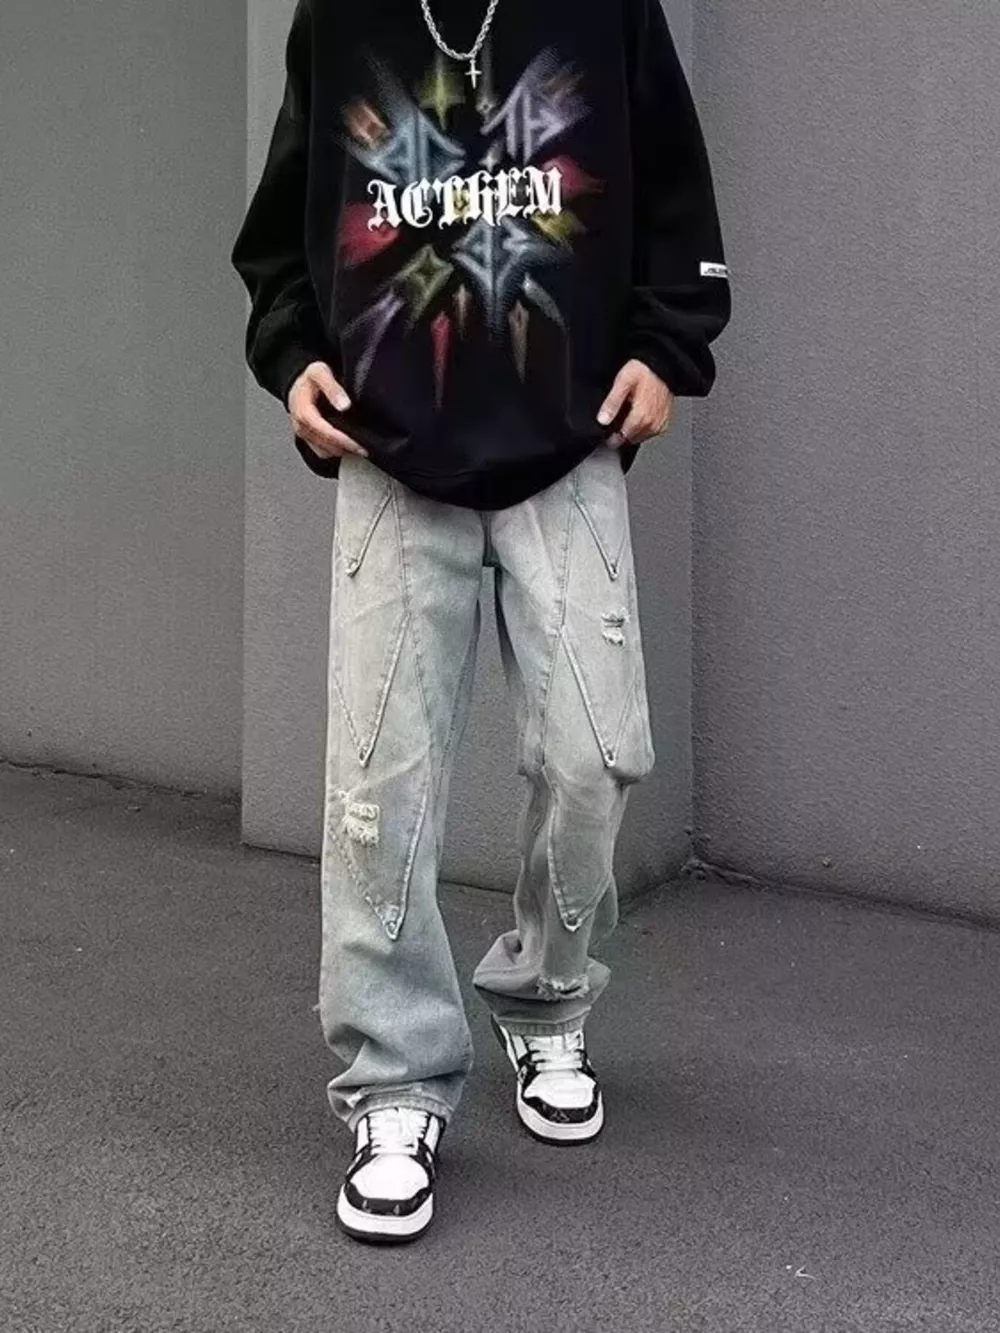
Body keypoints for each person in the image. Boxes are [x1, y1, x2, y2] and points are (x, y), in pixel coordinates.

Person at [231, 0, 730, 1245]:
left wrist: (669, 344)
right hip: (391, 454)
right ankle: (395, 1080)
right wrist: (291, 356)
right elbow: (282, 225)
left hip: (570, 441)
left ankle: (546, 998)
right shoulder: (340, 12)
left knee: (594, 758)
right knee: (378, 790)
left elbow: (673, 177)